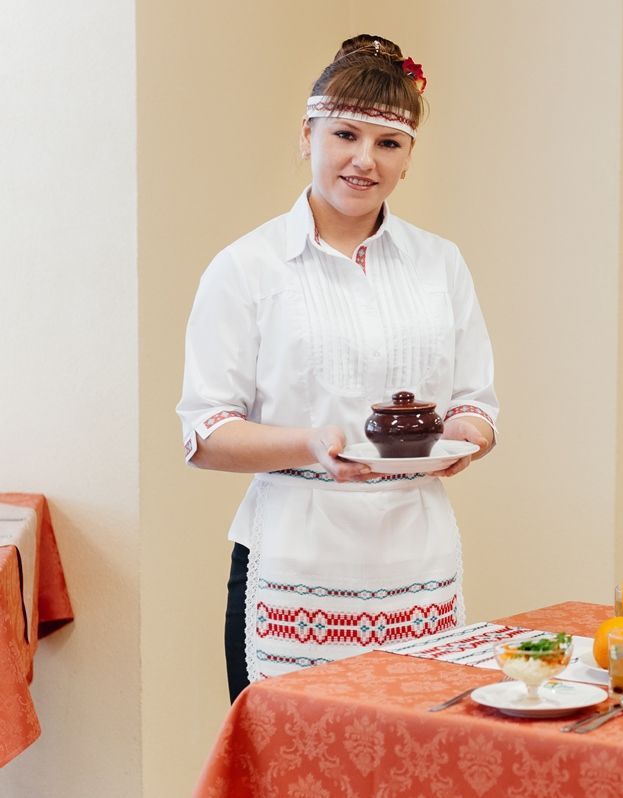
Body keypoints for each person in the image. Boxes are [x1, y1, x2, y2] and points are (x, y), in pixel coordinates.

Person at [177, 34, 498, 701]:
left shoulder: (441, 264)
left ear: (408, 158)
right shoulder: (247, 268)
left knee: (416, 748)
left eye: (389, 143)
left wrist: (469, 434)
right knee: (293, 751)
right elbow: (205, 433)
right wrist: (310, 444)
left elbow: (475, 400)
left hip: (416, 565)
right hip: (293, 561)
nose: (364, 160)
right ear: (307, 135)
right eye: (345, 135)